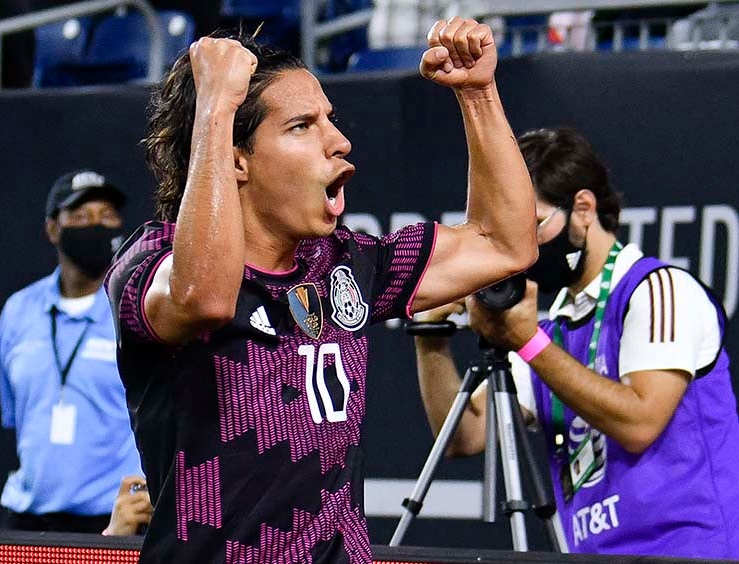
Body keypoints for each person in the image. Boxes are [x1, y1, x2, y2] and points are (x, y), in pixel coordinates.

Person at [106, 19, 537, 563]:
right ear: (236, 158)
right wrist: (213, 108)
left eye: (329, 120)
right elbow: (205, 297)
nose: (340, 141)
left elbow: (503, 244)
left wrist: (478, 95)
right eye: (303, 126)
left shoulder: (344, 265)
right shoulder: (150, 262)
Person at [416, 127, 739, 557]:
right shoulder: (552, 329)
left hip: (685, 550)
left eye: (532, 227)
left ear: (583, 209)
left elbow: (640, 423)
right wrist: (429, 341)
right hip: (592, 554)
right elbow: (465, 436)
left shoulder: (659, 290)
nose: (523, 249)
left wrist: (527, 342)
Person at [0, 170, 151, 533]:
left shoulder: (134, 310)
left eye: (107, 216)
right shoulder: (18, 311)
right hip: (25, 518)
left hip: (112, 521)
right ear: (53, 229)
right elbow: (16, 418)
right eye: (80, 217)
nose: (95, 226)